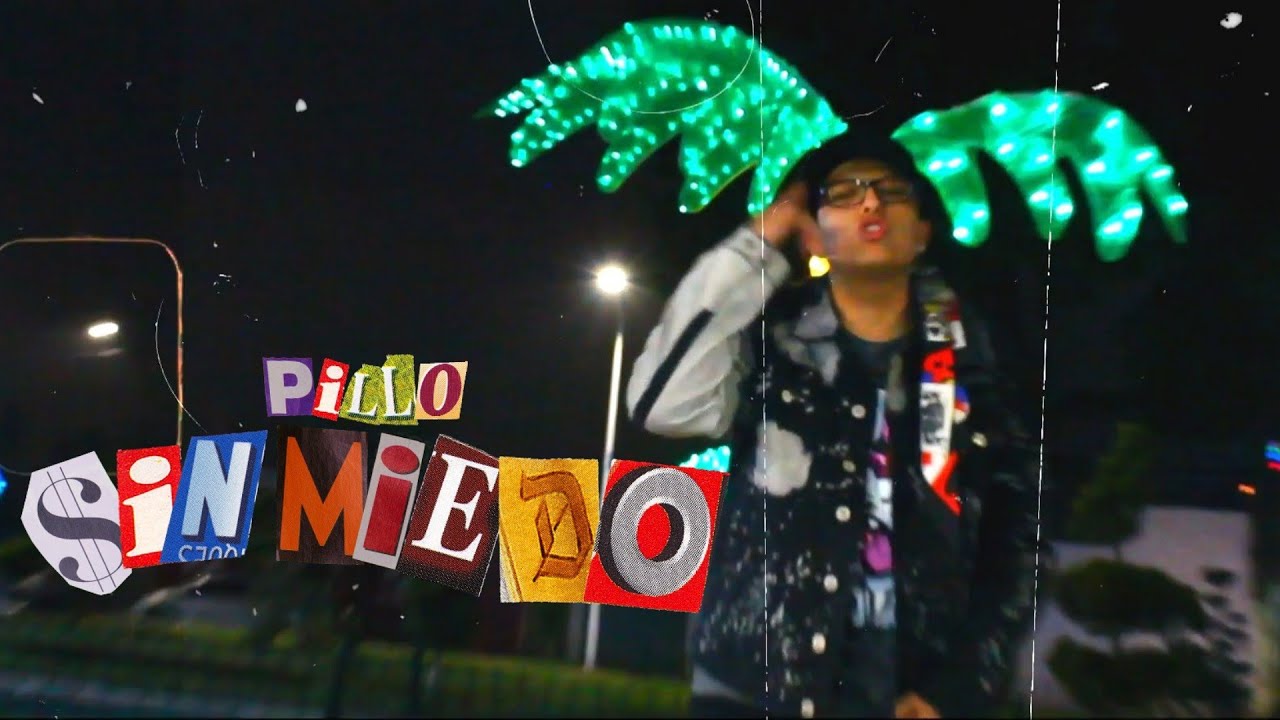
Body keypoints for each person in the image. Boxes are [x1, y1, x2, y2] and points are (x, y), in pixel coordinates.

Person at [625, 135, 1046, 718]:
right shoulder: (769, 343)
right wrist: (754, 248)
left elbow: (1018, 542)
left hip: (908, 693)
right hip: (751, 684)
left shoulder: (977, 363)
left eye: (892, 192)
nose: (871, 203)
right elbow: (661, 405)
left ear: (922, 233)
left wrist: (962, 685)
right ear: (815, 234)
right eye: (844, 194)